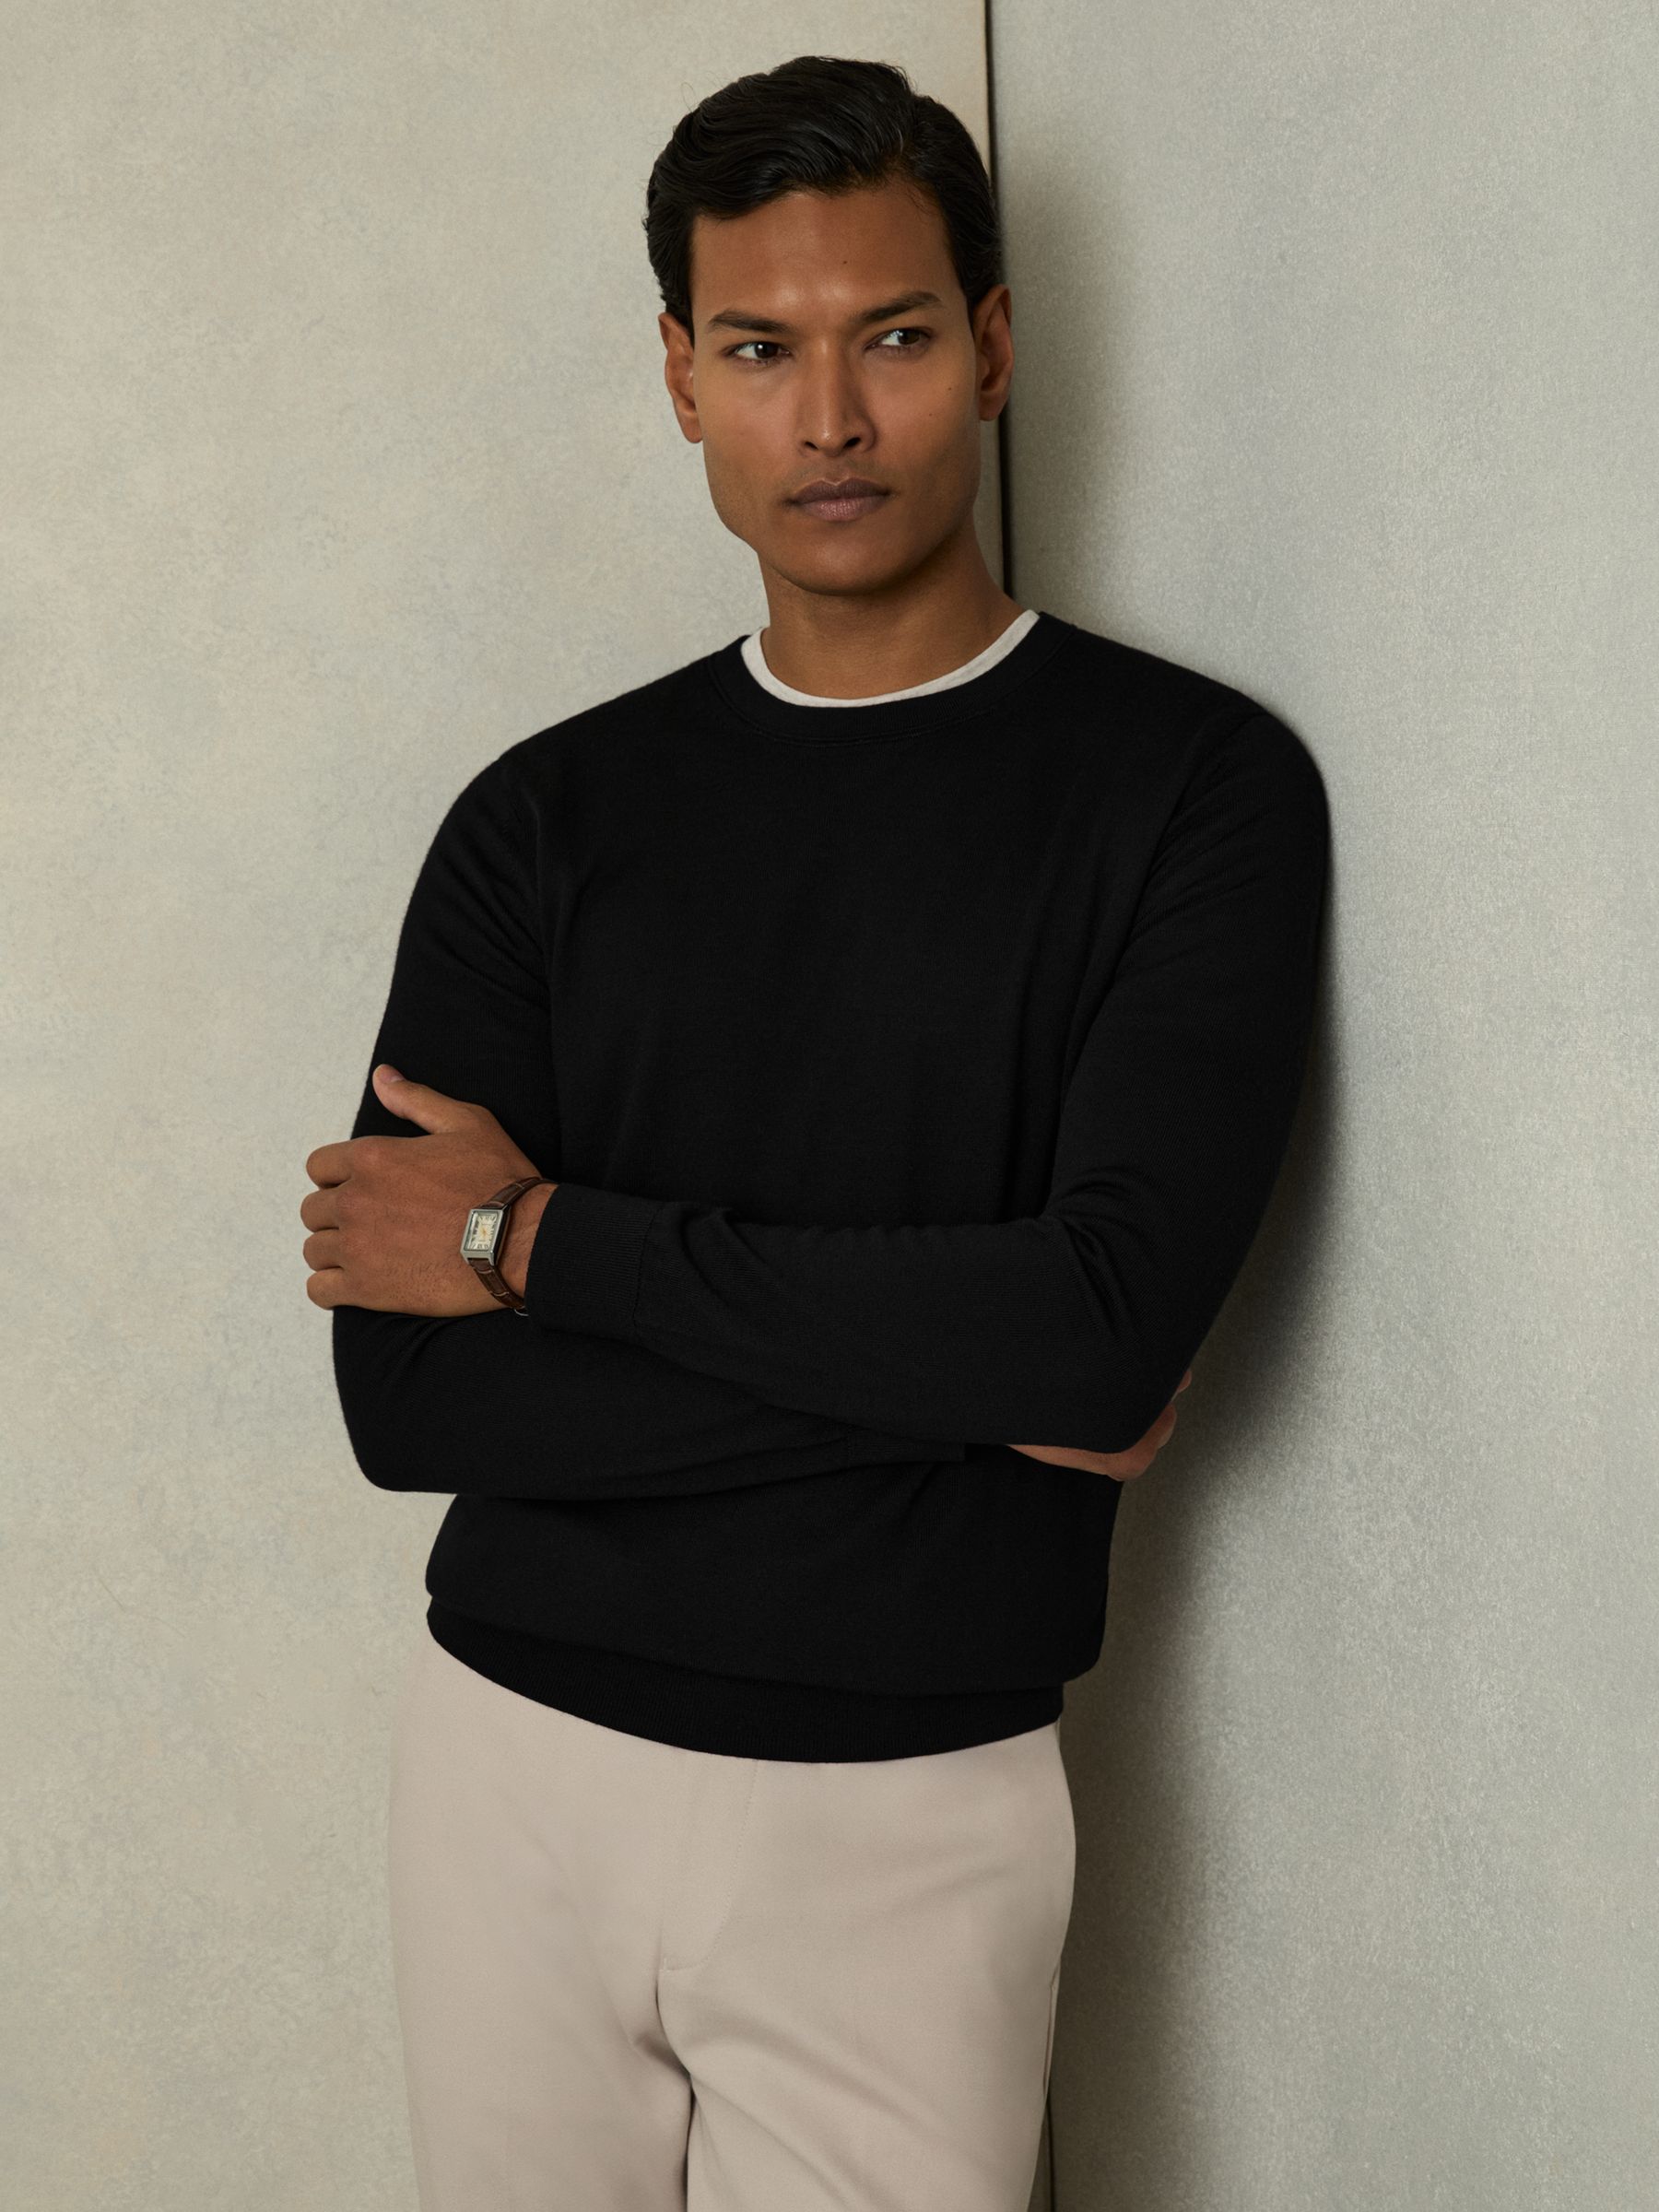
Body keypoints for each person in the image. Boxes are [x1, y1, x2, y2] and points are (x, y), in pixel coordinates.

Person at [300, 53, 1330, 2212]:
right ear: (682, 376)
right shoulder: (541, 819)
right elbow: (406, 1403)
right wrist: (963, 1378)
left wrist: (537, 1246)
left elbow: (1097, 1339)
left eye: (897, 337)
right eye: (762, 350)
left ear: (997, 347)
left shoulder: (1190, 792)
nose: (833, 419)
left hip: (908, 1805)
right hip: (507, 1765)